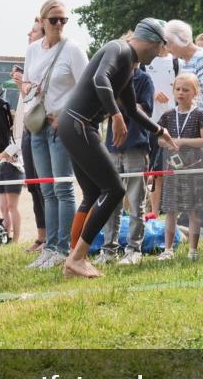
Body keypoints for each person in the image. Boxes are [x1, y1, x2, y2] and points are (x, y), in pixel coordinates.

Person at [58, 19, 176, 279]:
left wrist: (159, 131)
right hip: (79, 123)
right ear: (153, 41)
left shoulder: (129, 65)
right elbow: (101, 78)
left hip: (73, 124)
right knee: (115, 189)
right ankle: (77, 259)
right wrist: (115, 115)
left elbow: (133, 108)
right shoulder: (119, 49)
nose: (159, 55)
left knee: (91, 193)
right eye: (159, 48)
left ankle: (73, 259)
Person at [21, 0, 88, 270]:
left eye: (63, 20)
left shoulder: (73, 50)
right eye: (54, 20)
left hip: (62, 126)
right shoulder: (33, 50)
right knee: (46, 189)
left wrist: (65, 115)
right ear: (43, 20)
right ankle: (49, 247)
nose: (59, 24)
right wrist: (30, 95)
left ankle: (64, 247)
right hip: (38, 125)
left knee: (63, 188)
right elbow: (26, 81)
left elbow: (85, 88)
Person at [100, 66, 155, 266]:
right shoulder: (110, 80)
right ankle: (108, 249)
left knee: (135, 201)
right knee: (110, 201)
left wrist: (122, 100)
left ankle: (133, 249)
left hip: (136, 146)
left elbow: (144, 110)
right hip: (113, 148)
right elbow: (102, 110)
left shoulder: (144, 80)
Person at [157, 72, 203, 260]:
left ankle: (193, 250)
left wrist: (182, 141)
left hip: (193, 168)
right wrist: (170, 143)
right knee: (171, 210)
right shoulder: (167, 116)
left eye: (186, 90)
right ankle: (168, 249)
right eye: (178, 89)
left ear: (195, 92)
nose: (181, 93)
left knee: (193, 210)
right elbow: (159, 141)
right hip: (172, 169)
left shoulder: (200, 115)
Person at [13, 18, 47, 252]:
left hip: (42, 127)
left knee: (47, 186)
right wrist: (20, 85)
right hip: (27, 128)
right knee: (33, 185)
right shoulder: (31, 57)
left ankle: (52, 237)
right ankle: (41, 236)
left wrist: (25, 85)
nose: (29, 33)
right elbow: (27, 100)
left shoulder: (45, 60)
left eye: (33, 30)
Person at [143, 49, 180, 216]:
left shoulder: (176, 61)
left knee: (170, 168)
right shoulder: (145, 61)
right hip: (149, 123)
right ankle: (153, 209)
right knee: (151, 170)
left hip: (172, 123)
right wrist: (153, 94)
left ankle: (172, 208)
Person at [162, 20, 203, 123]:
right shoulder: (185, 60)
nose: (167, 48)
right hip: (193, 121)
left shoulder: (201, 58)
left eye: (169, 43)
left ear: (180, 40)